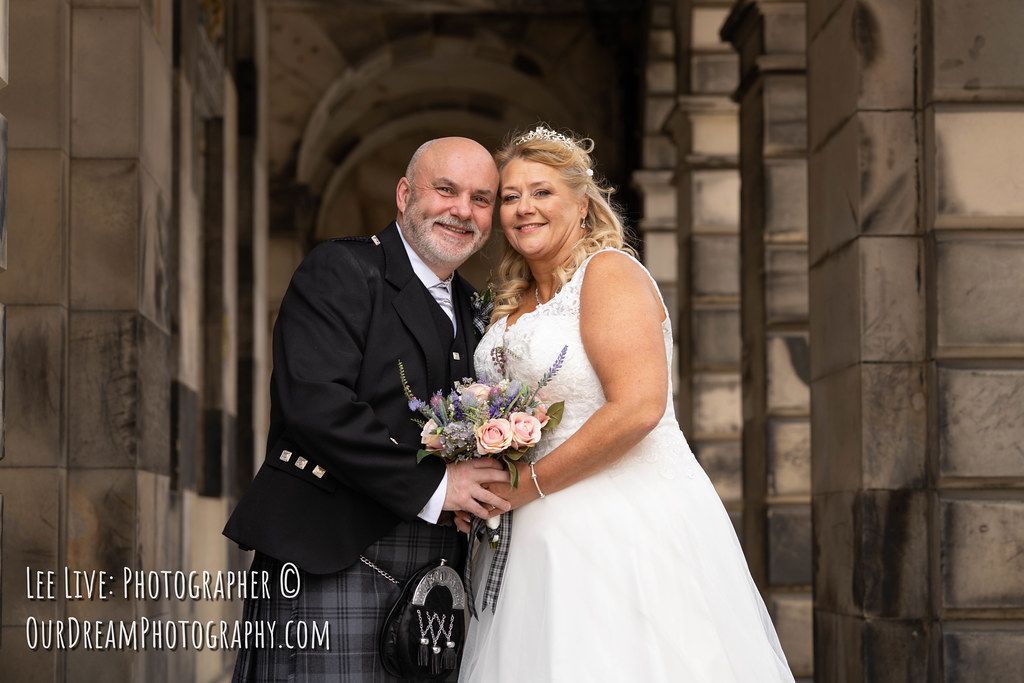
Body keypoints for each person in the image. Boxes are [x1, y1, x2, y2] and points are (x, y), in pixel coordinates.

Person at [457, 127, 795, 682]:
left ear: (581, 205)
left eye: (541, 192)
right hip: (528, 536)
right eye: (510, 196)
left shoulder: (608, 274)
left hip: (617, 526)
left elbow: (639, 407)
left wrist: (529, 484)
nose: (523, 208)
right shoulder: (512, 302)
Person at [224, 137, 512, 681]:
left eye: (480, 199)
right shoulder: (342, 268)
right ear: (404, 195)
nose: (462, 210)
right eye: (445, 190)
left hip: (438, 569)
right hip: (331, 554)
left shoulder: (478, 309)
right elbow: (315, 404)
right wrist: (437, 487)